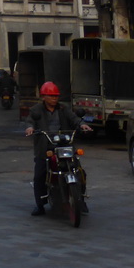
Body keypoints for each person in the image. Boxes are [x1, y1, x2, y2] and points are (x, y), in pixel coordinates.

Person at [24, 82, 92, 216]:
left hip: (64, 144)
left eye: (56, 96)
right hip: (46, 146)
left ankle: (81, 200)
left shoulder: (63, 108)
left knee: (80, 171)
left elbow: (74, 119)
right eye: (51, 96)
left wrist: (82, 125)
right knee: (39, 175)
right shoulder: (36, 110)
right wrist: (30, 128)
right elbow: (29, 120)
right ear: (44, 96)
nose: (54, 99)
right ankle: (40, 205)